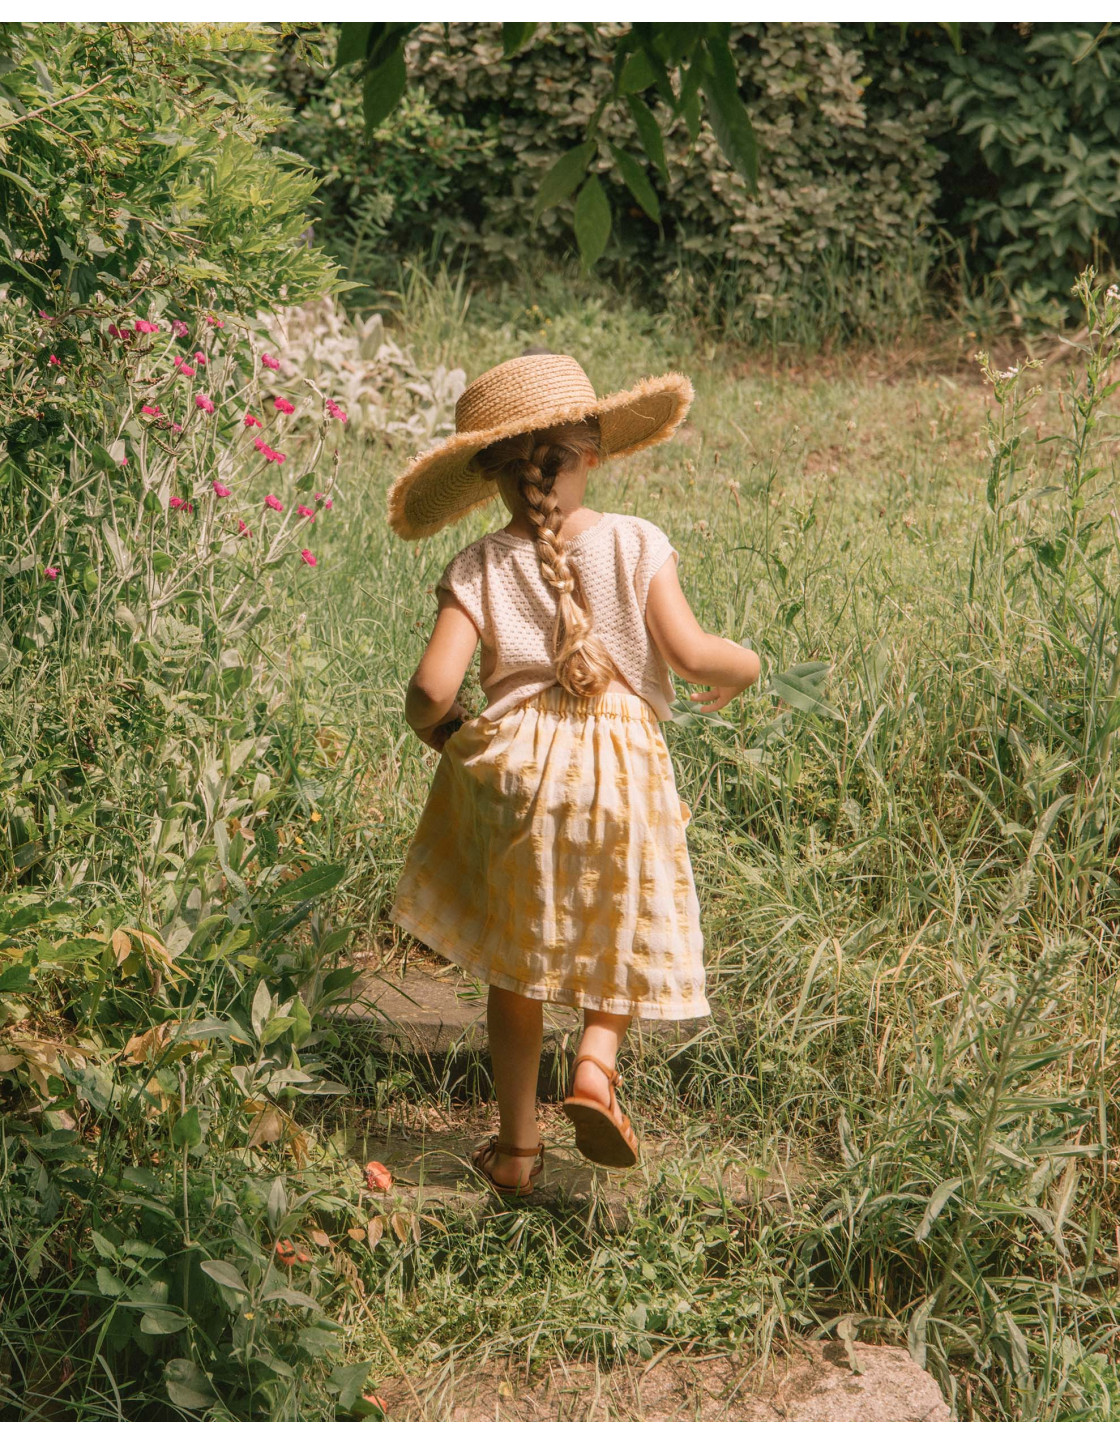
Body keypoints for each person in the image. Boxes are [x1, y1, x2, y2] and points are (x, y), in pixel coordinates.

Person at [386, 350, 760, 1196]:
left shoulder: (480, 566)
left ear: (491, 479)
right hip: (623, 768)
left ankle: (517, 1148)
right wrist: (748, 667)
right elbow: (695, 655)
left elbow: (427, 691)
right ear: (591, 450)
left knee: (517, 971)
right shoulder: (636, 541)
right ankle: (595, 1062)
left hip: (518, 774)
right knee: (616, 923)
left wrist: (454, 741)